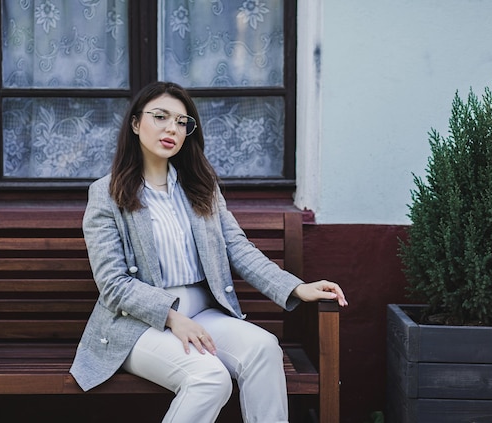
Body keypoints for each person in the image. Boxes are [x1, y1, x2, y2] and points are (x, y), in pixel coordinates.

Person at [70, 81, 348, 423]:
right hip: (136, 325)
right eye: (160, 117)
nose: (172, 128)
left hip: (202, 314)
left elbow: (238, 248)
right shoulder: (107, 194)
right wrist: (172, 318)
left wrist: (296, 287)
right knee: (210, 379)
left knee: (263, 349)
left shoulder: (200, 188)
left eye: (182, 122)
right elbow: (113, 284)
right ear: (135, 123)